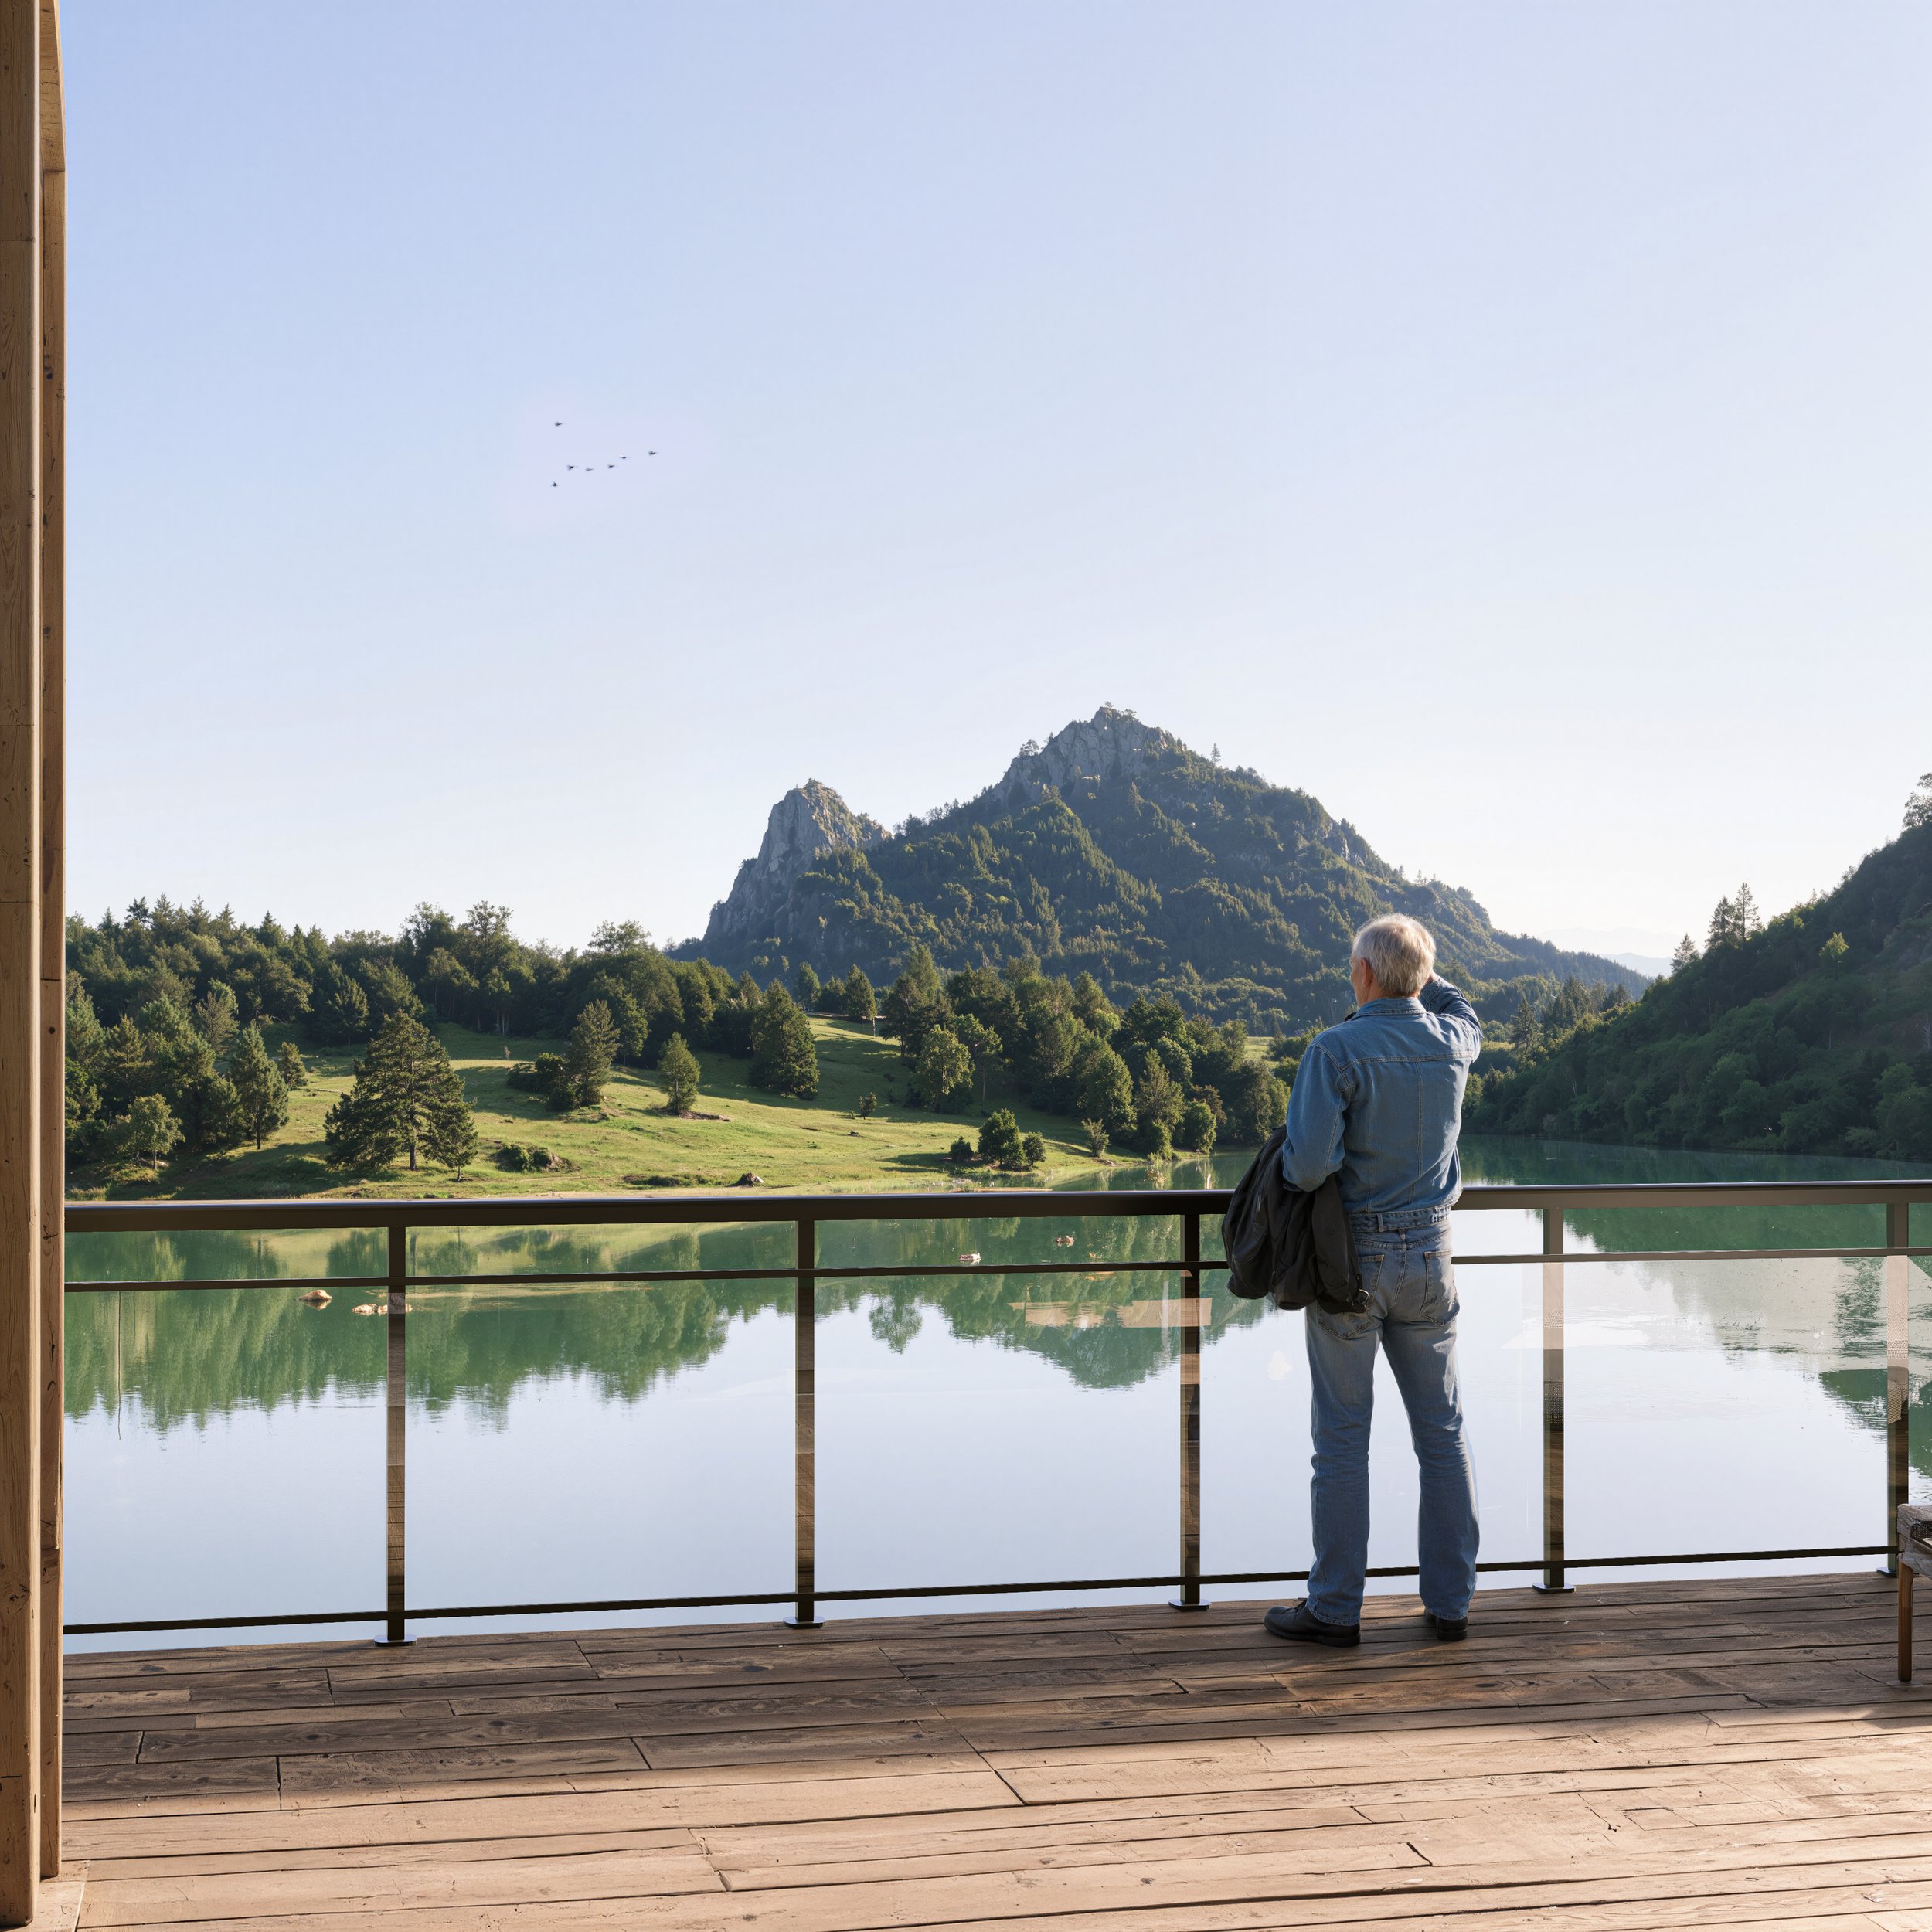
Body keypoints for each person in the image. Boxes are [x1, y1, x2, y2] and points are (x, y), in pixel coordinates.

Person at [1264, 913, 1483, 1648]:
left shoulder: (1334, 1049)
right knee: (1443, 1436)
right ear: (1421, 977)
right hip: (1432, 1257)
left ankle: (1335, 1610)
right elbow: (1463, 1010)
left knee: (1341, 1443)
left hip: (1349, 1262)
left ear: (1362, 973)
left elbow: (1306, 1168)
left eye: (1353, 968)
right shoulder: (1453, 1042)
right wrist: (1421, 973)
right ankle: (1450, 1607)